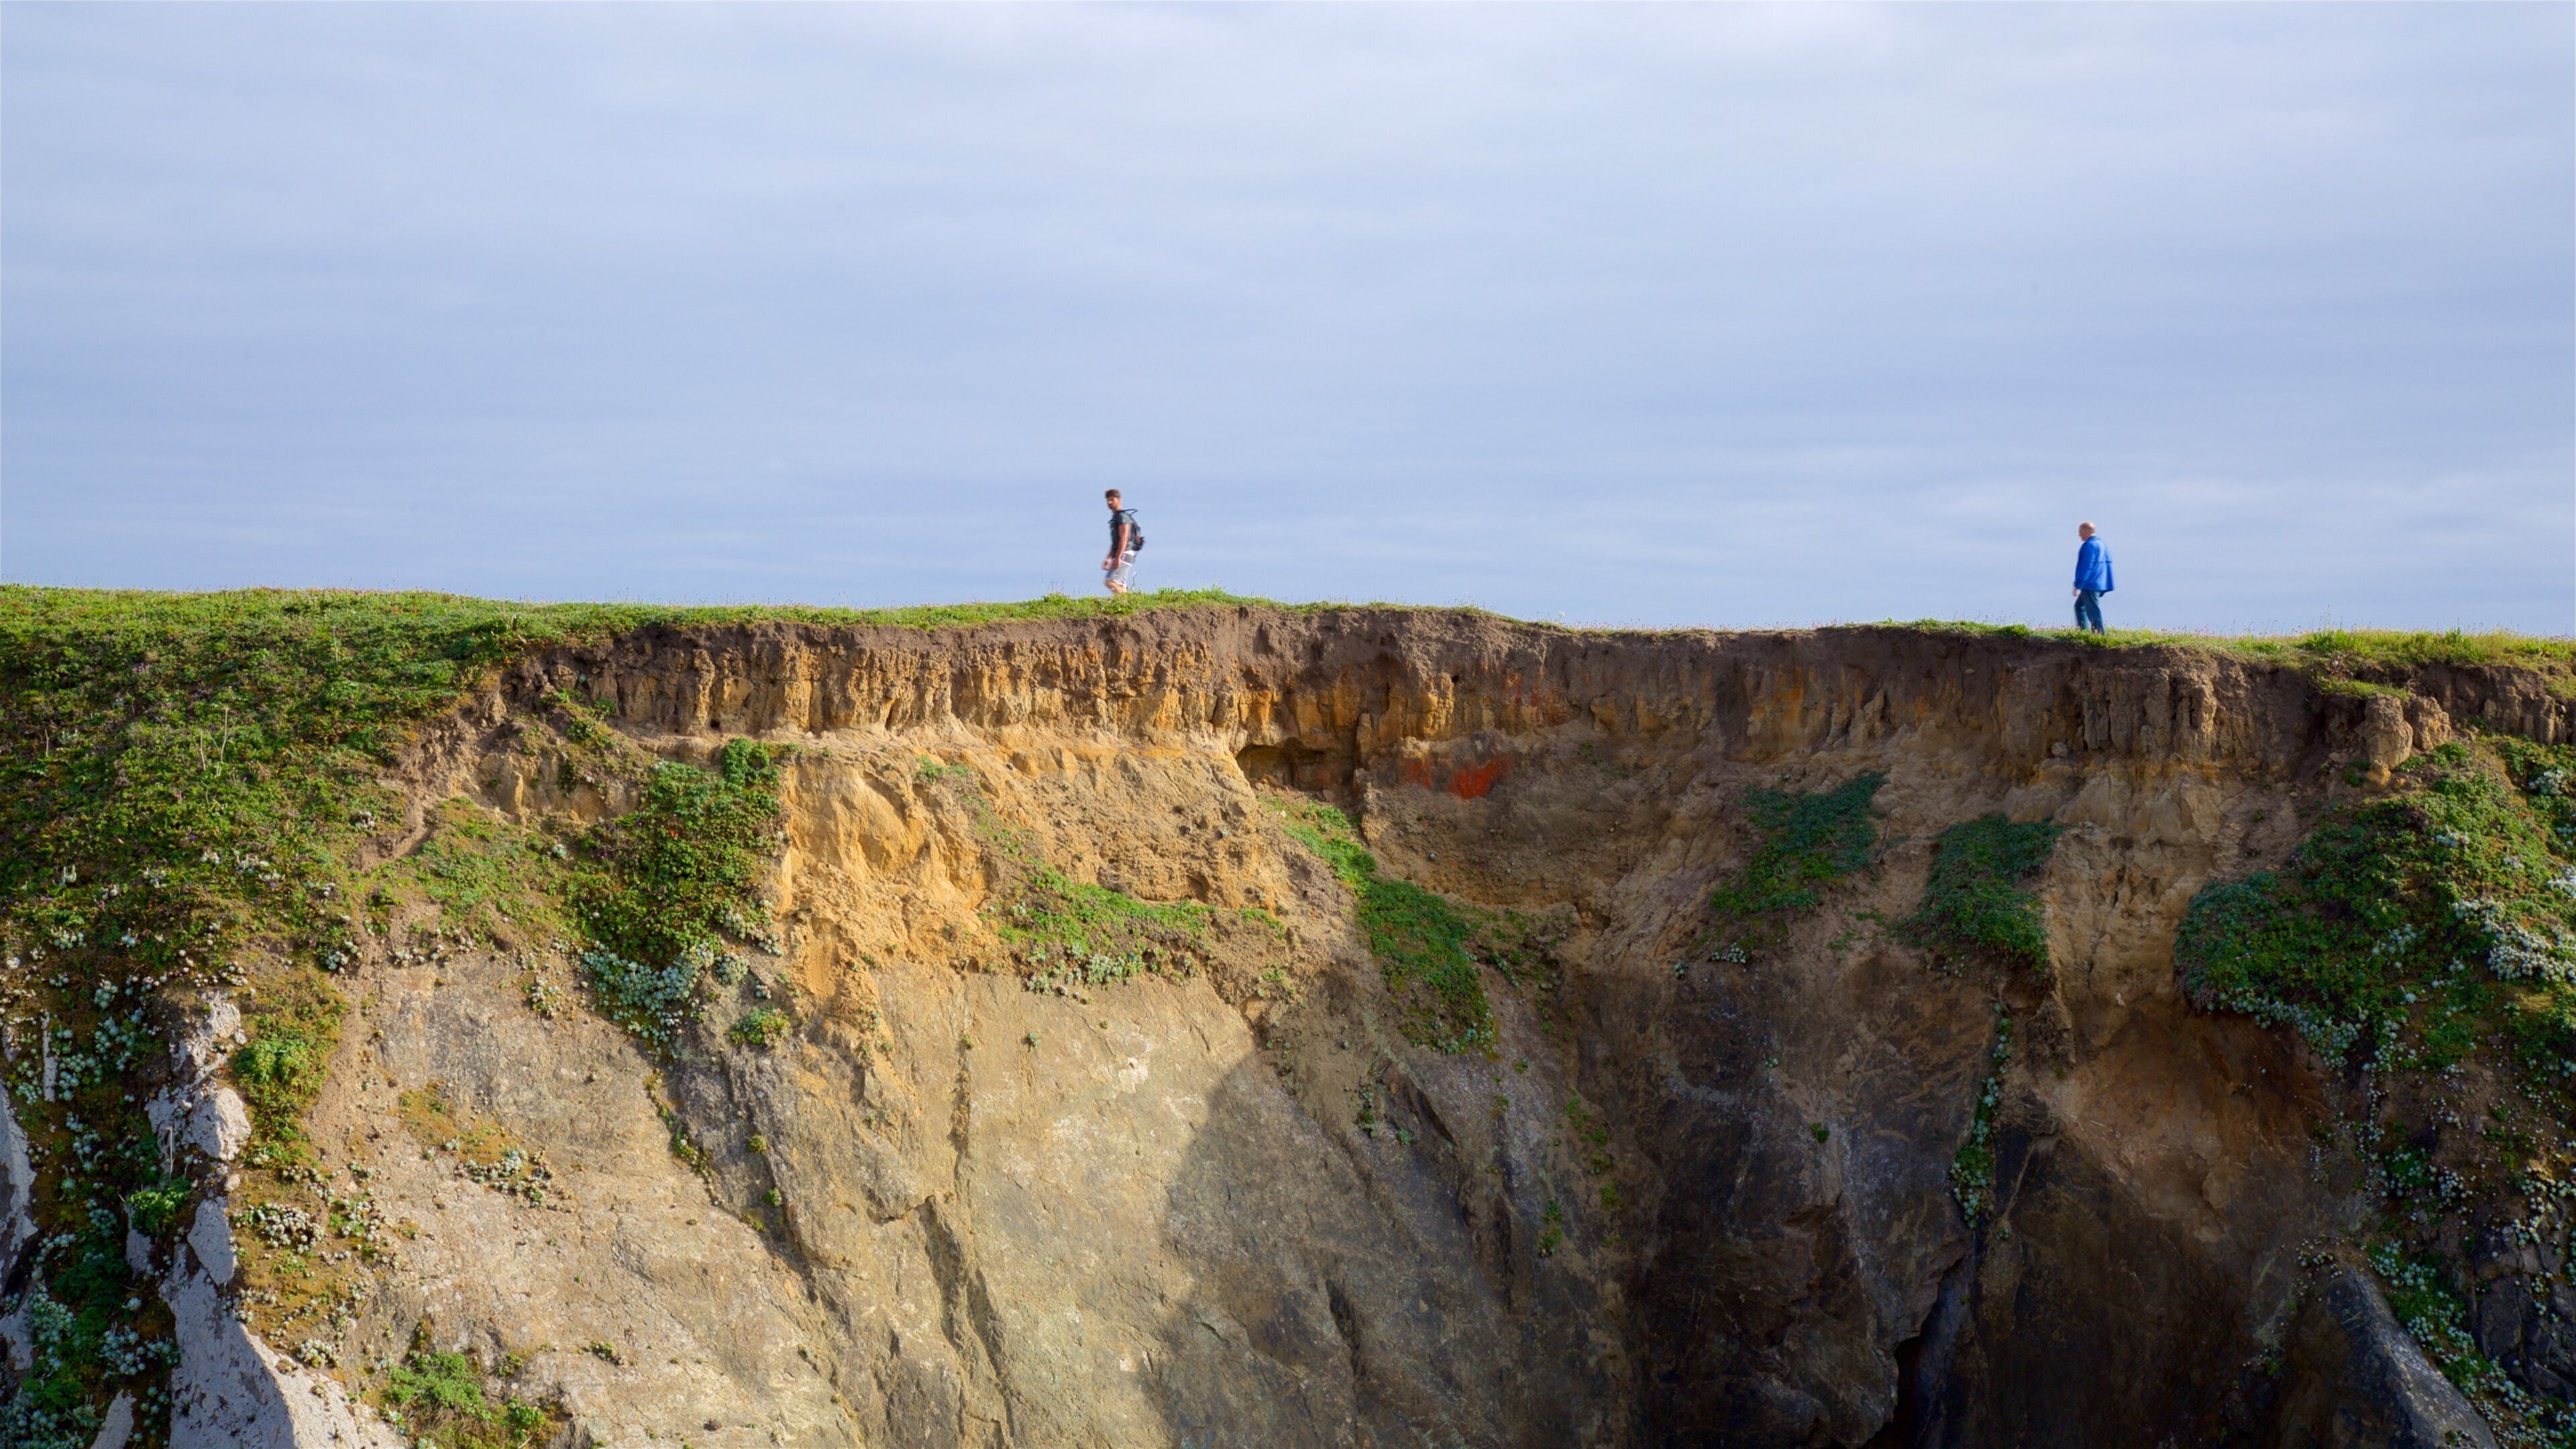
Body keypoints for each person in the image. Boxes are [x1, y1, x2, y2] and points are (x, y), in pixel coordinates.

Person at [2071, 521, 2113, 633]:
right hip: (2099, 582)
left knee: (2093, 611)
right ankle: (2083, 632)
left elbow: (2087, 566)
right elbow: (2108, 563)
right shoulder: (2101, 544)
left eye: (2080, 532)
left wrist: (2078, 584)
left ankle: (2099, 636)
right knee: (2080, 607)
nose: (2079, 535)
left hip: (2090, 583)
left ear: (2087, 531)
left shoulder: (2090, 545)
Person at [1102, 489, 1141, 595]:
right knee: (1120, 587)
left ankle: (1127, 599)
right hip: (1120, 554)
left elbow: (1124, 538)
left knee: (1109, 582)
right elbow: (1116, 541)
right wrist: (1109, 557)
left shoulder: (1122, 517)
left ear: (1119, 500)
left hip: (1124, 554)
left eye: (1112, 499)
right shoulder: (1116, 517)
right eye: (1108, 500)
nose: (1110, 502)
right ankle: (1126, 605)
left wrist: (1118, 558)